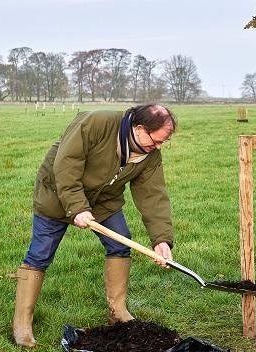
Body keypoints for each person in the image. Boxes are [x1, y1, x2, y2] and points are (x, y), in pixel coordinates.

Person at [12, 103, 177, 347]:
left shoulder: (149, 153)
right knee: (40, 255)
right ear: (139, 128)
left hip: (103, 201)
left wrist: (161, 239)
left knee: (120, 246)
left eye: (163, 142)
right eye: (156, 140)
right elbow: (66, 164)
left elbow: (153, 196)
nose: (159, 147)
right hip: (57, 195)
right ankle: (22, 325)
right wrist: (77, 207)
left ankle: (118, 313)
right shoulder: (96, 123)